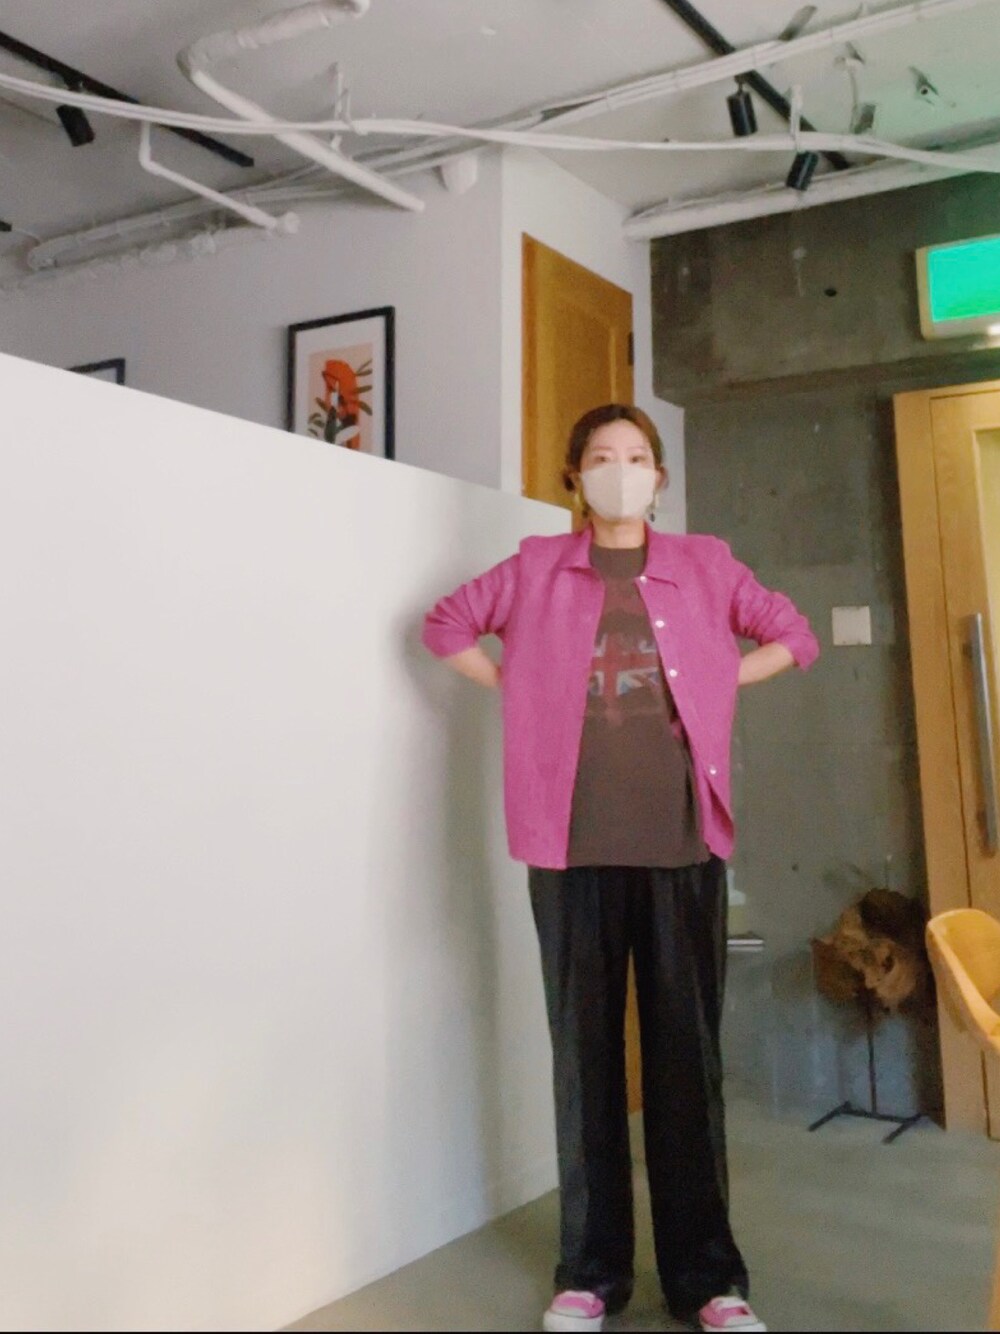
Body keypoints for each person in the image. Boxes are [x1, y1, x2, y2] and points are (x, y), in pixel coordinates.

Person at [421, 404, 819, 1334]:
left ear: (659, 477)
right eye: (601, 457)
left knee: (686, 1065)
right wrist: (512, 685)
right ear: (575, 477)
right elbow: (445, 627)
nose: (620, 470)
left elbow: (792, 636)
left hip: (681, 847)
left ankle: (709, 1281)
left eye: (637, 456)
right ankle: (591, 1274)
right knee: (585, 1063)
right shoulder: (534, 568)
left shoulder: (706, 564)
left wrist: (720, 679)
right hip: (570, 852)